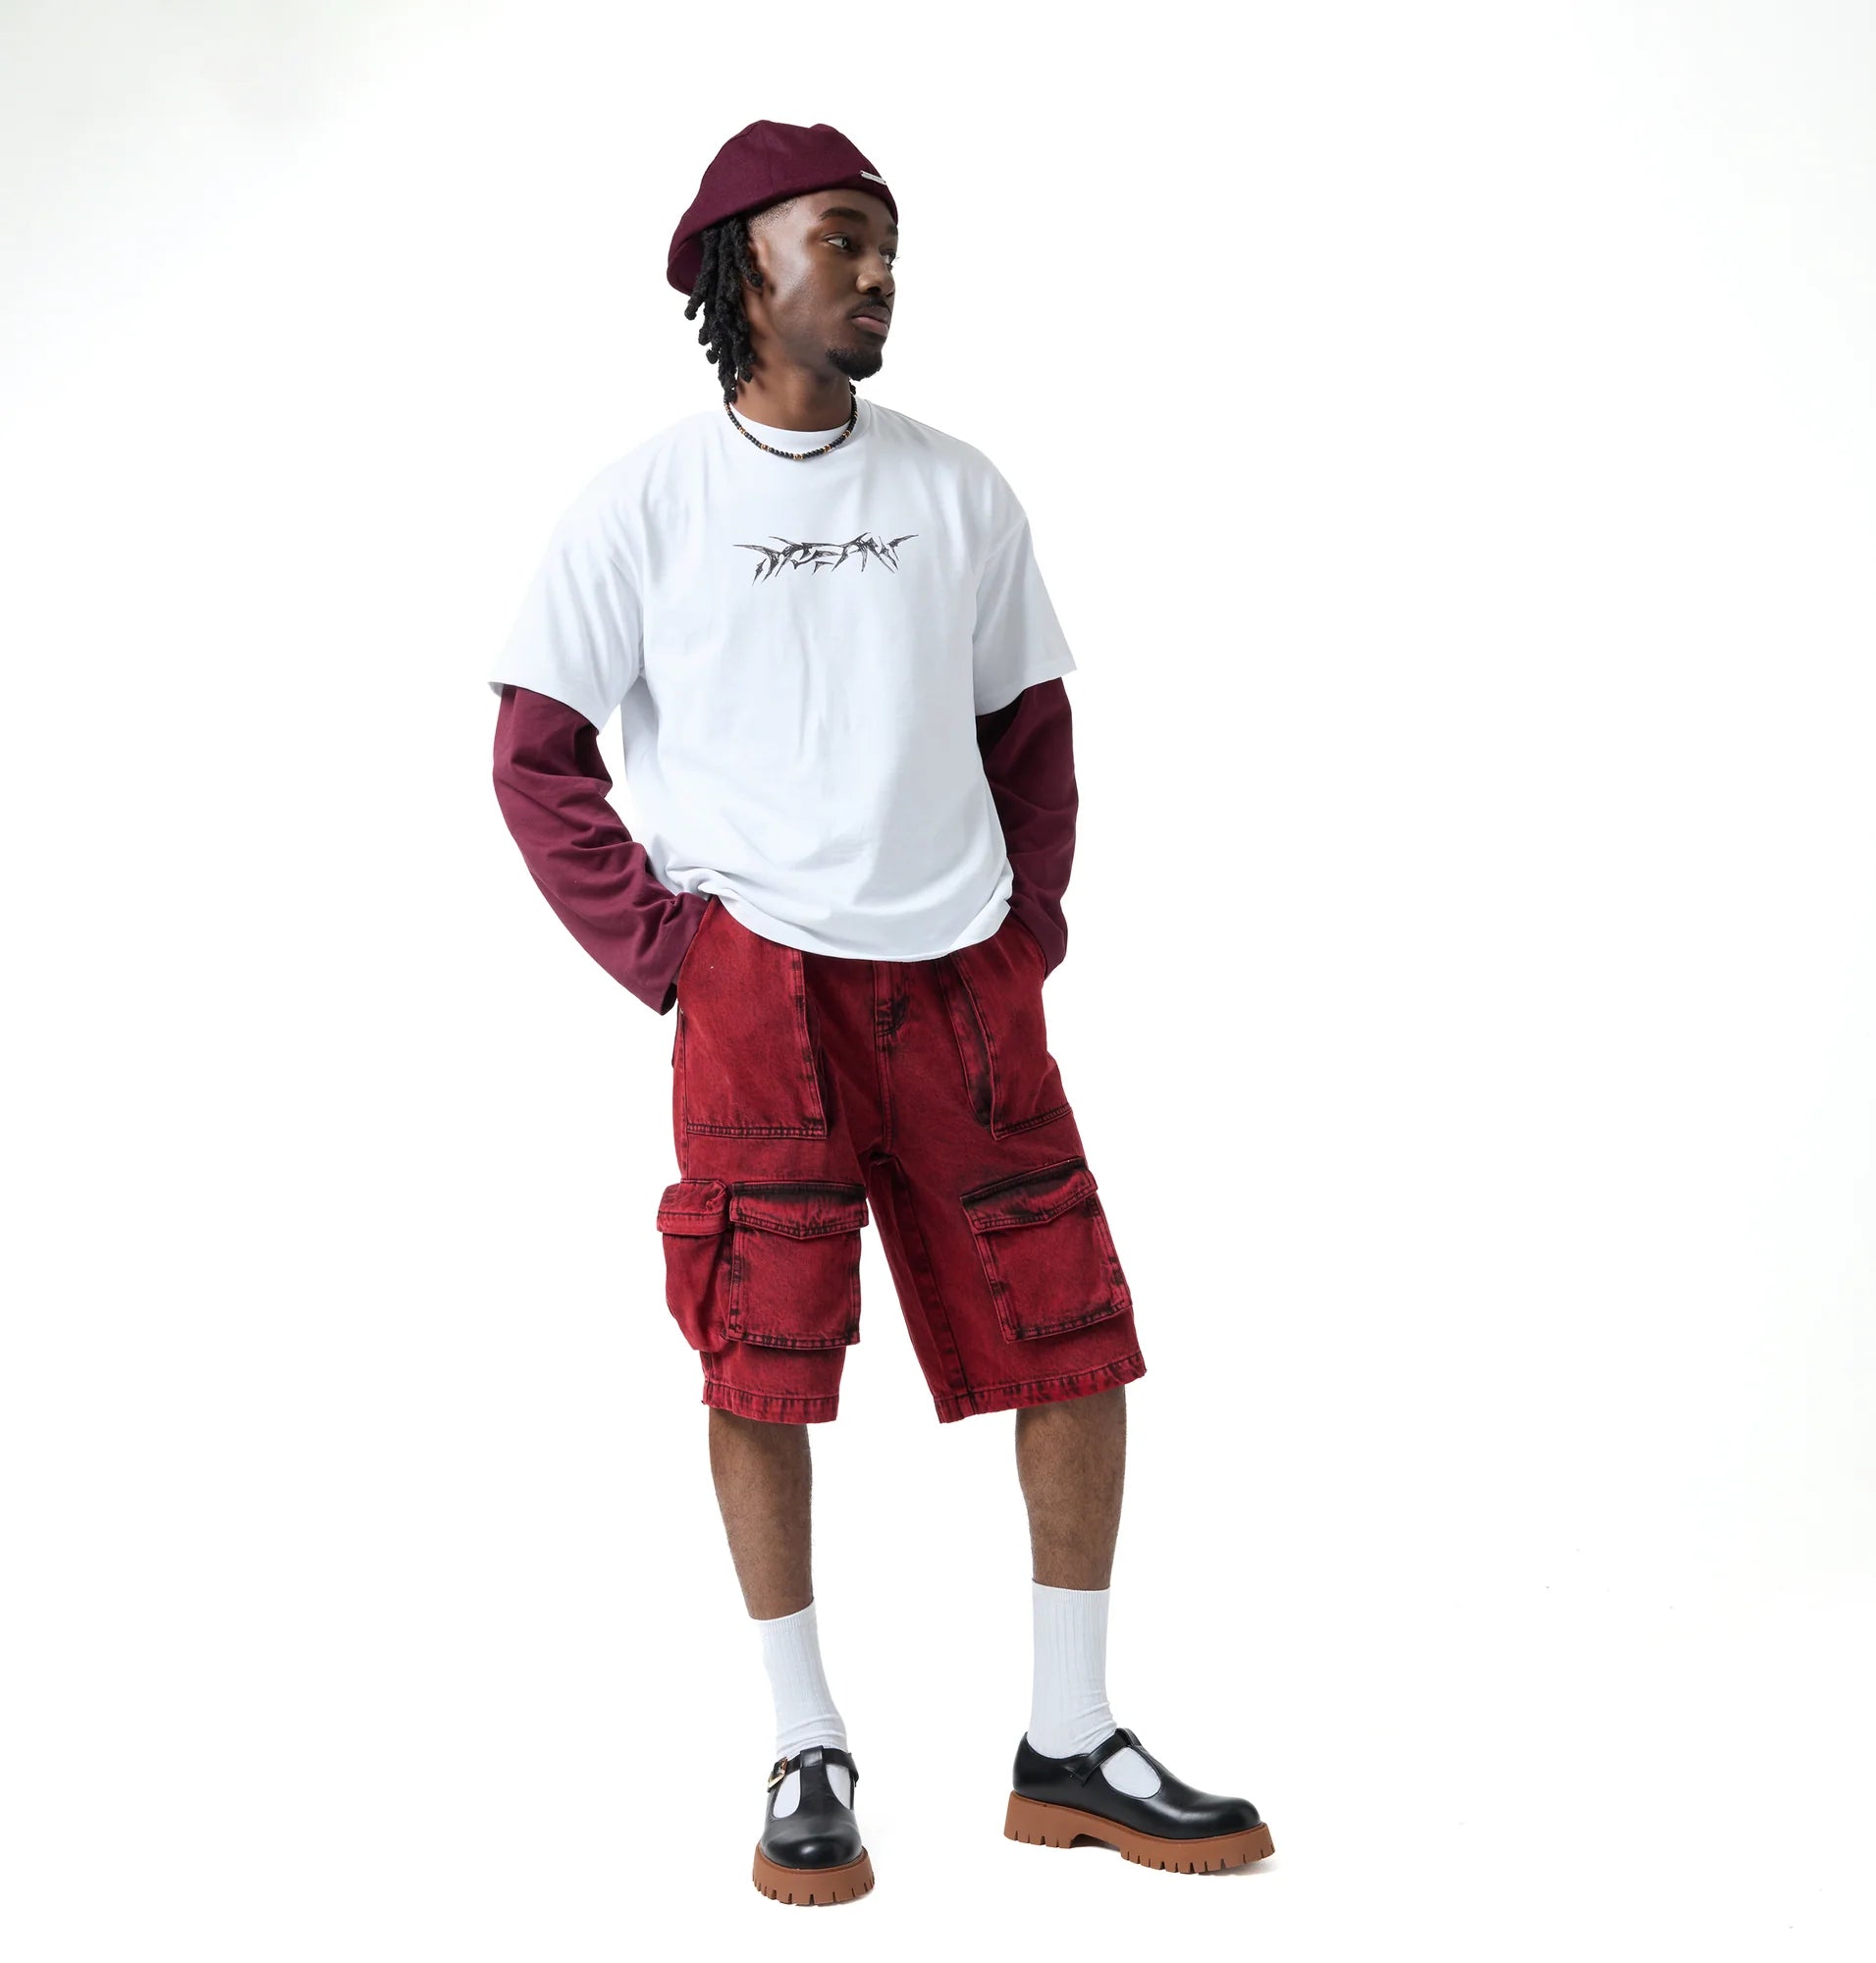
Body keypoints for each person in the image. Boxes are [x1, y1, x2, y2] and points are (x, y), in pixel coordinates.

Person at [486, 120, 1272, 1904]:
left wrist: (1026, 932)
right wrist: (673, 956)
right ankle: (804, 1742)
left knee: (1072, 1328)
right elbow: (537, 755)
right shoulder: (643, 504)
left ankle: (1069, 1739)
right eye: (840, 238)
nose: (877, 271)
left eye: (887, 244)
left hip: (962, 984)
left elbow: (1032, 733)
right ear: (741, 265)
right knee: (758, 1345)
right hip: (754, 992)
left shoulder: (958, 490)